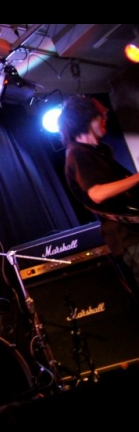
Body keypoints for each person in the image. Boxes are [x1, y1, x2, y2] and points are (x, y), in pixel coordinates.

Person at [58, 94, 139, 298]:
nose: (105, 117)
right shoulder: (78, 154)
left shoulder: (98, 152)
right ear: (86, 119)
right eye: (99, 115)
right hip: (128, 237)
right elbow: (97, 193)